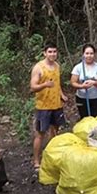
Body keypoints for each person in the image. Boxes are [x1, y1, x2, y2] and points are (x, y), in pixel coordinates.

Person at [30, 42, 68, 170]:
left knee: (55, 131)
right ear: (44, 53)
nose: (52, 54)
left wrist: (62, 95)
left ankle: (51, 156)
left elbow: (57, 83)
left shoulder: (57, 66)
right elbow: (33, 87)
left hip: (56, 105)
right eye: (50, 52)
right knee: (40, 134)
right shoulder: (39, 67)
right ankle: (36, 160)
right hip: (43, 107)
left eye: (54, 52)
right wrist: (45, 85)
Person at [70, 44, 97, 119]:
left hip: (96, 98)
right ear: (83, 54)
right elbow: (73, 82)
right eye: (87, 53)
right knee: (85, 119)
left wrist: (94, 83)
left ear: (94, 54)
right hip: (82, 98)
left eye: (91, 53)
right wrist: (82, 86)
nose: (89, 56)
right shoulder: (78, 67)